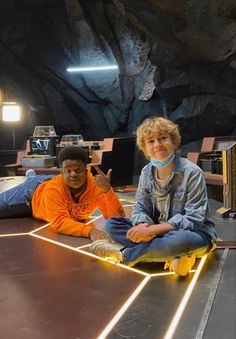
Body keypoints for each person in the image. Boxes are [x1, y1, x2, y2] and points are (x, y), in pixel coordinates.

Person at [90, 117, 218, 276]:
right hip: (155, 231)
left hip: (191, 232)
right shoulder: (146, 172)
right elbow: (141, 207)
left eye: (163, 138)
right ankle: (174, 255)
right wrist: (143, 225)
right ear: (145, 149)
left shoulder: (192, 172)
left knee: (181, 240)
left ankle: (125, 254)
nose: (157, 144)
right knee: (112, 225)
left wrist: (153, 230)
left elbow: (194, 218)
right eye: (151, 141)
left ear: (174, 142)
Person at [0, 146, 125, 241]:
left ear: (87, 169)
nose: (74, 174)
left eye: (78, 170)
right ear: (61, 171)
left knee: (43, 179)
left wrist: (108, 191)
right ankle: (31, 178)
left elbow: (118, 218)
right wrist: (90, 231)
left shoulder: (97, 186)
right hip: (32, 195)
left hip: (49, 183)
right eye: (68, 170)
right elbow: (59, 222)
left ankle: (32, 175)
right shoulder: (53, 189)